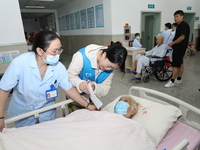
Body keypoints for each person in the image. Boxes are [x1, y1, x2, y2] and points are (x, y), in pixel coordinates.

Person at [0, 30, 97, 131]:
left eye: (59, 50)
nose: (57, 54)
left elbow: (69, 89)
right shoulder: (20, 63)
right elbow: (4, 89)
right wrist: (0, 117)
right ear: (40, 51)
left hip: (46, 113)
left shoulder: (59, 68)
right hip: (23, 113)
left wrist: (87, 105)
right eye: (54, 51)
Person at [164, 10, 190, 88]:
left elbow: (182, 37)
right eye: (175, 17)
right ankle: (179, 78)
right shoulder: (179, 25)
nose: (175, 18)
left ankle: (172, 81)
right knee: (180, 63)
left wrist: (172, 43)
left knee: (175, 65)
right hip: (179, 47)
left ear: (182, 16)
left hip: (179, 48)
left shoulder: (183, 25)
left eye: (177, 17)